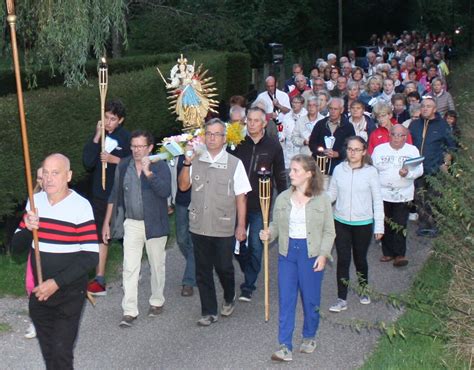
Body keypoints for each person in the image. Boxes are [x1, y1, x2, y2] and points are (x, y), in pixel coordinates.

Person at [11, 153, 99, 369]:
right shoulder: (35, 202)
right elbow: (16, 248)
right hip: (40, 294)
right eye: (46, 173)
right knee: (50, 353)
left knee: (61, 352)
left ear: (68, 175)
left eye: (55, 173)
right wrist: (27, 228)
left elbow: (90, 256)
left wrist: (55, 283)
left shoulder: (81, 206)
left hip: (68, 293)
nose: (49, 179)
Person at [260, 155, 335, 362]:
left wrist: (323, 254)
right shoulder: (283, 197)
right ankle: (285, 345)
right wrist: (269, 233)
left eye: (295, 170)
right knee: (286, 298)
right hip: (287, 253)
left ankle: (309, 335)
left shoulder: (322, 199)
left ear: (309, 174)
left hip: (310, 253)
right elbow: (275, 225)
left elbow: (329, 231)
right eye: (290, 170)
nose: (290, 174)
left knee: (310, 299)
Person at [178, 118, 251, 326]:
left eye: (216, 134)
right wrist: (187, 163)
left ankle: (229, 296)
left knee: (224, 267)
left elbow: (241, 196)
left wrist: (240, 225)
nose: (211, 138)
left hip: (223, 225)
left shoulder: (234, 164)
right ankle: (208, 311)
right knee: (202, 269)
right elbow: (183, 187)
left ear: (223, 138)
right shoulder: (196, 159)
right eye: (208, 133)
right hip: (199, 224)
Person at [103, 130, 171, 327]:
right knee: (129, 267)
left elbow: (165, 191)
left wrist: (149, 173)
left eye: (141, 146)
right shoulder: (124, 165)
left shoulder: (159, 165)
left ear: (150, 147)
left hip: (155, 223)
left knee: (157, 265)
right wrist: (107, 223)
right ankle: (129, 310)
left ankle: (157, 300)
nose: (137, 150)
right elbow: (114, 195)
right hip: (131, 223)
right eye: (133, 146)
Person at [232, 108, 287, 302]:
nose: (252, 124)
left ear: (264, 123)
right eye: (250, 120)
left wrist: (285, 198)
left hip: (259, 203)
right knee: (235, 244)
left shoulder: (273, 146)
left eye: (257, 121)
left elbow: (280, 174)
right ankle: (247, 266)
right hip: (237, 201)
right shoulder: (237, 143)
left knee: (256, 244)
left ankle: (248, 284)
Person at [328, 137, 384, 312]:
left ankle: (363, 289)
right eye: (350, 149)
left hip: (363, 222)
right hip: (341, 221)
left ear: (364, 151)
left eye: (357, 149)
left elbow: (377, 200)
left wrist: (379, 225)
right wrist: (316, 198)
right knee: (343, 259)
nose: (353, 153)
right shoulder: (338, 170)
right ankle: (341, 298)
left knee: (360, 258)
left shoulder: (371, 172)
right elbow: (332, 194)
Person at [83, 99, 131, 296]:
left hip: (120, 194)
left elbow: (133, 165)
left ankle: (132, 269)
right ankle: (100, 278)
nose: (108, 122)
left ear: (120, 120)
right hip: (100, 194)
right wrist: (96, 136)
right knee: (101, 234)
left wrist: (115, 160)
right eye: (106, 117)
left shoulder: (126, 138)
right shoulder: (99, 136)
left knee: (125, 234)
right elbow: (87, 162)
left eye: (112, 119)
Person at [372, 125, 423, 266]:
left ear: (405, 137)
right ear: (389, 135)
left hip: (403, 193)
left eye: (400, 135)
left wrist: (408, 174)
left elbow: (419, 170)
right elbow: (372, 169)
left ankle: (400, 254)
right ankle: (387, 252)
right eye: (394, 134)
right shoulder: (379, 150)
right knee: (386, 222)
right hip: (383, 193)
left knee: (400, 223)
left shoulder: (412, 150)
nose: (397, 138)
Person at [409, 97, 456, 236]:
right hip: (417, 169)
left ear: (435, 109)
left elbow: (452, 146)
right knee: (420, 198)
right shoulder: (415, 124)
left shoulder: (442, 125)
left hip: (435, 168)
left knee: (434, 198)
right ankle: (424, 225)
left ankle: (435, 225)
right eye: (423, 106)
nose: (425, 108)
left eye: (428, 106)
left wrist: (446, 163)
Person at [308, 97, 356, 175]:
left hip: (340, 169)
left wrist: (338, 153)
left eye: (335, 109)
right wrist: (322, 151)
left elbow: (351, 146)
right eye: (331, 108)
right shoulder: (320, 124)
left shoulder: (348, 126)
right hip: (320, 168)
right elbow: (312, 143)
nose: (333, 111)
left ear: (342, 110)